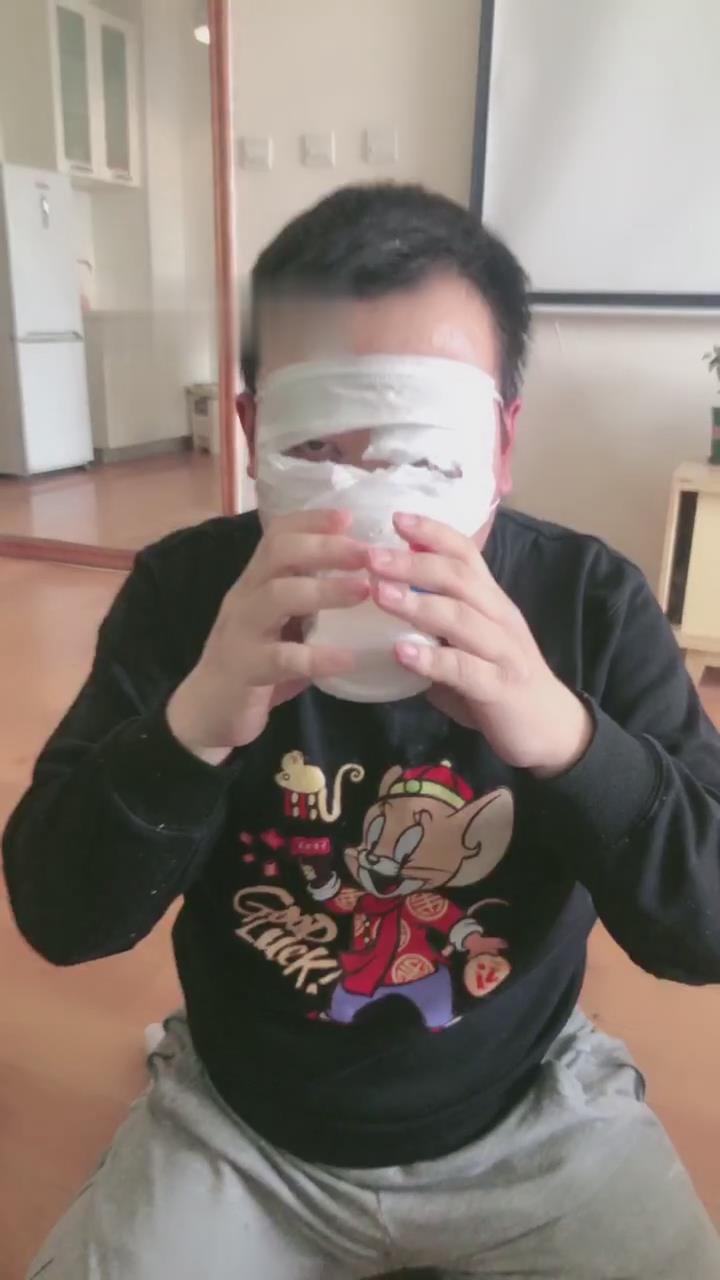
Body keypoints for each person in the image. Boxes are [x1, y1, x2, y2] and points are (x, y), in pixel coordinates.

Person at [4, 184, 720, 1280]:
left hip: (530, 1109)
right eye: (320, 447)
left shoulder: (590, 604)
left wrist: (570, 739)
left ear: (501, 443)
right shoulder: (186, 597)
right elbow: (60, 915)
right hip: (245, 1123)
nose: (375, 500)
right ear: (252, 435)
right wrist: (190, 728)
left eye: (426, 455)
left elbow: (706, 925)